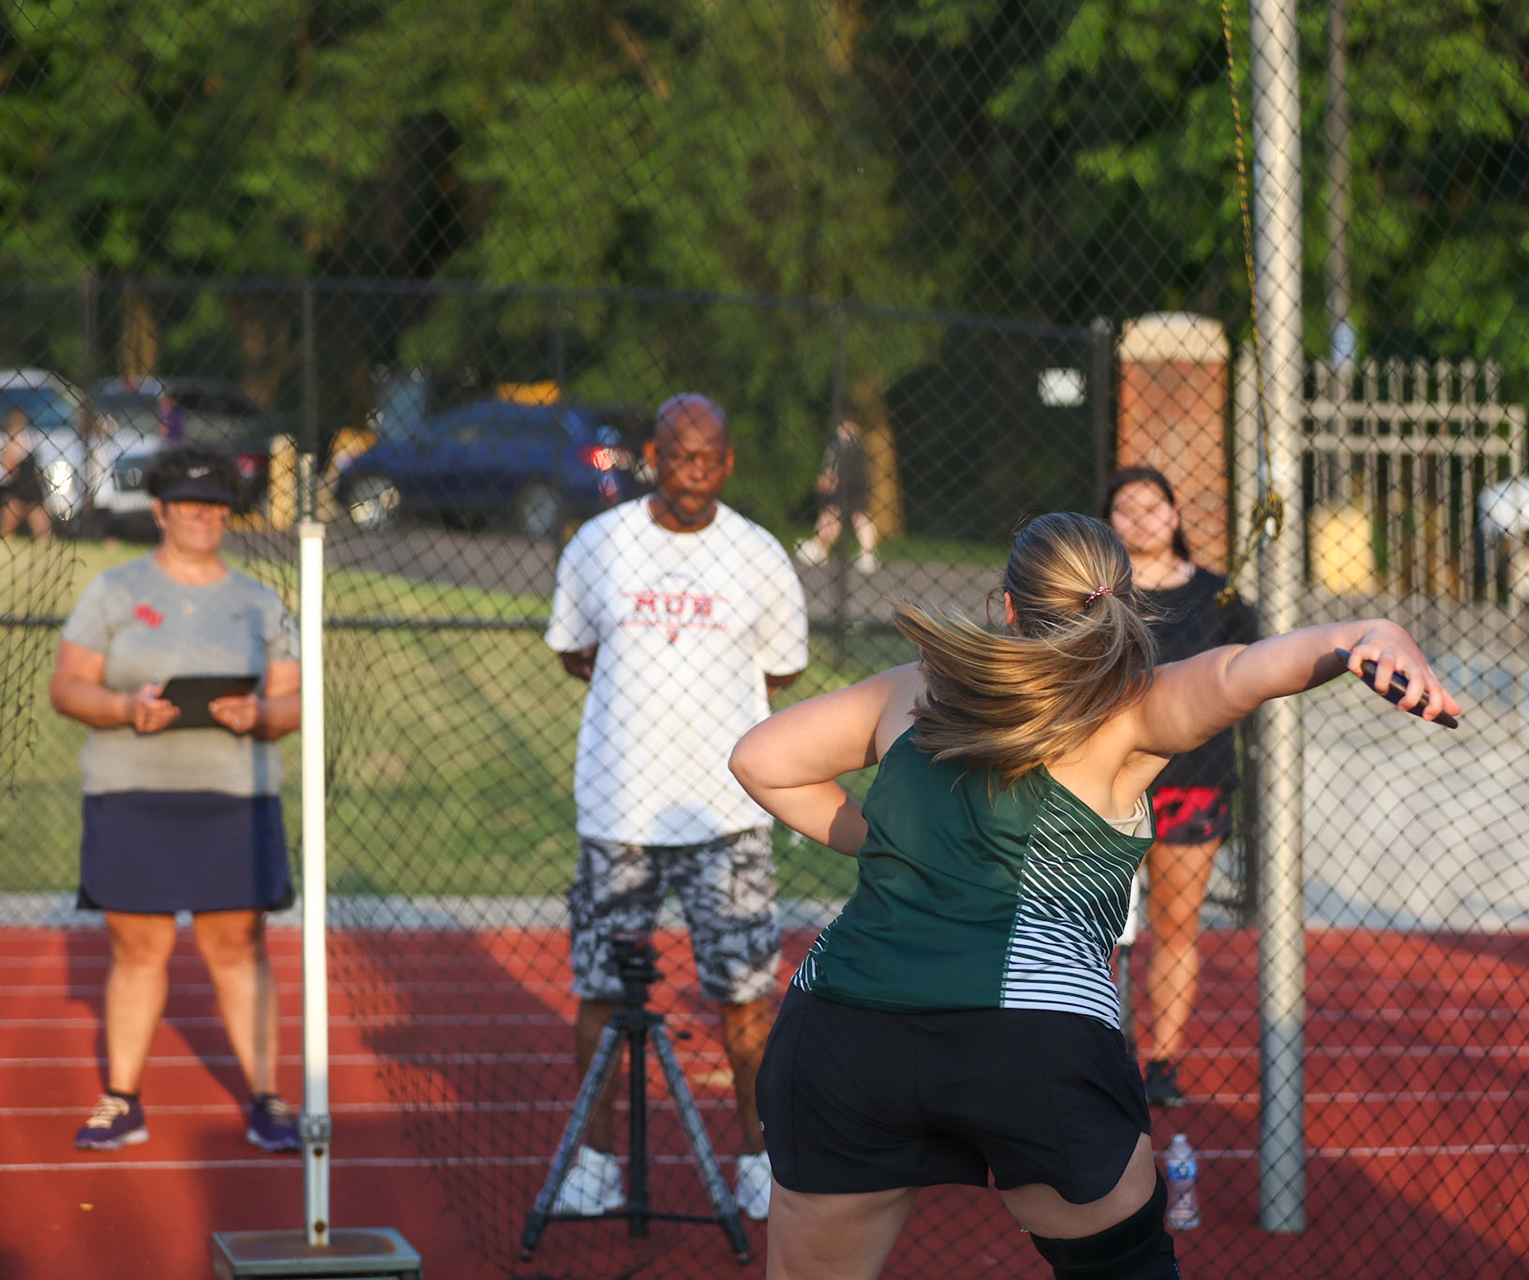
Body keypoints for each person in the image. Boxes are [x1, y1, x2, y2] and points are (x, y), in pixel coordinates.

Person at [730, 511, 1458, 1280]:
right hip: (1031, 1035)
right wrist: (1369, 632)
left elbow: (760, 759)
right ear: (1122, 603)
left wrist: (886, 839)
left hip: (846, 1028)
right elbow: (1241, 671)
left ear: (1008, 606)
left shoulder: (916, 686)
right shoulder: (1128, 712)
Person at [545, 392, 809, 1222]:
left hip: (727, 815)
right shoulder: (600, 543)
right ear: (650, 457)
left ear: (726, 465)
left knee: (745, 996)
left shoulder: (758, 555)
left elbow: (783, 670)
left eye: (707, 458)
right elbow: (574, 650)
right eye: (675, 454)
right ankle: (593, 1161)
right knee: (598, 991)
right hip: (619, 809)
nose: (690, 472)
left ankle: (758, 1161)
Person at [48, 446, 302, 1154]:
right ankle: (122, 1099)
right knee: (139, 945)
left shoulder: (258, 599)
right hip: (133, 791)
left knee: (236, 944)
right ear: (160, 511)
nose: (203, 517)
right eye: (190, 504)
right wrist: (126, 707)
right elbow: (68, 688)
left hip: (232, 794)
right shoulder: (114, 590)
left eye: (217, 505)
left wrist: (260, 715)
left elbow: (292, 699)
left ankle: (267, 1099)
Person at [1104, 466, 1259, 1106]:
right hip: (1105, 783)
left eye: (1152, 507)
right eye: (1124, 509)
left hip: (1191, 783)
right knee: (1096, 928)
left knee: (1174, 926)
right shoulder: (1096, 593)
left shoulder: (1219, 597)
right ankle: (1101, 1054)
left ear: (1174, 515)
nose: (1139, 519)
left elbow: (1249, 674)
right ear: (1106, 522)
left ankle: (1161, 1063)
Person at [794, 419, 879, 573]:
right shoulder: (858, 445)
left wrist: (830, 475)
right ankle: (866, 554)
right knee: (857, 515)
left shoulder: (842, 441)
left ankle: (819, 548)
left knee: (834, 513)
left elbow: (835, 461)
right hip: (859, 480)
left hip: (846, 480)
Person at [0, 409, 53, 540]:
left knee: (19, 514)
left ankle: (7, 538)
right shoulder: (29, 438)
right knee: (25, 514)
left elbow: (9, 465)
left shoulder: (13, 440)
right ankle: (46, 539)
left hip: (22, 483)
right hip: (28, 483)